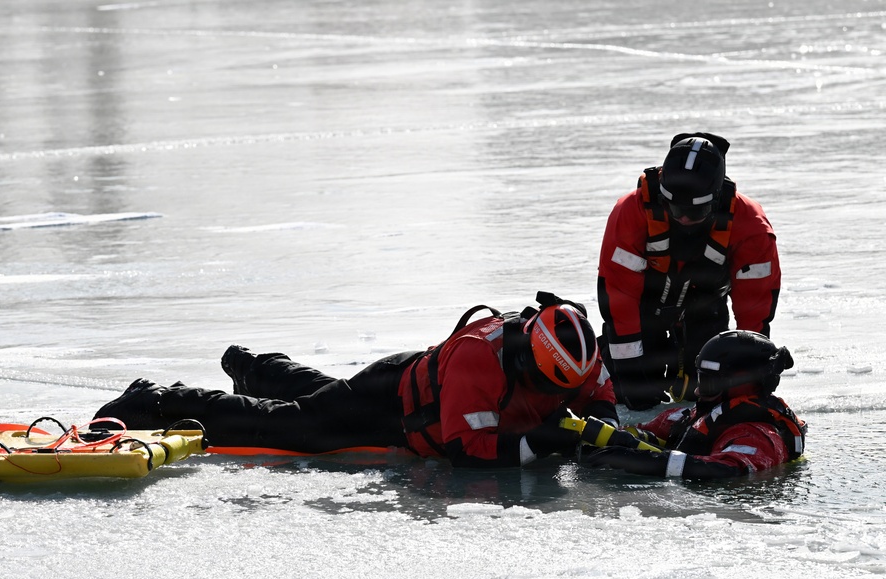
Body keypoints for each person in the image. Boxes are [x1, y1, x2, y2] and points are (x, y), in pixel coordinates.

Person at [92, 292, 619, 468]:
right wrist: (542, 442)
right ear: (527, 356)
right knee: (298, 428)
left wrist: (604, 421)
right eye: (547, 386)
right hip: (391, 402)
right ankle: (159, 398)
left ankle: (258, 367)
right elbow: (467, 447)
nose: (557, 397)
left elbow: (597, 391)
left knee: (319, 398)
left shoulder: (574, 346)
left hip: (411, 396)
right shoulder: (478, 360)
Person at [597, 132, 781, 410]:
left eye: (695, 211)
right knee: (626, 394)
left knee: (710, 392)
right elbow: (618, 295)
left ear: (717, 198)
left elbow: (755, 306)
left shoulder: (750, 225)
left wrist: (751, 375)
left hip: (707, 313)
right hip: (643, 314)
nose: (683, 217)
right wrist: (630, 372)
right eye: (675, 207)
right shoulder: (631, 211)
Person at [581, 330, 805, 480]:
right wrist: (615, 437)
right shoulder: (689, 417)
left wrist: (642, 462)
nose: (697, 390)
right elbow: (652, 429)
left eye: (707, 382)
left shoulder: (757, 435)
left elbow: (726, 470)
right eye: (699, 379)